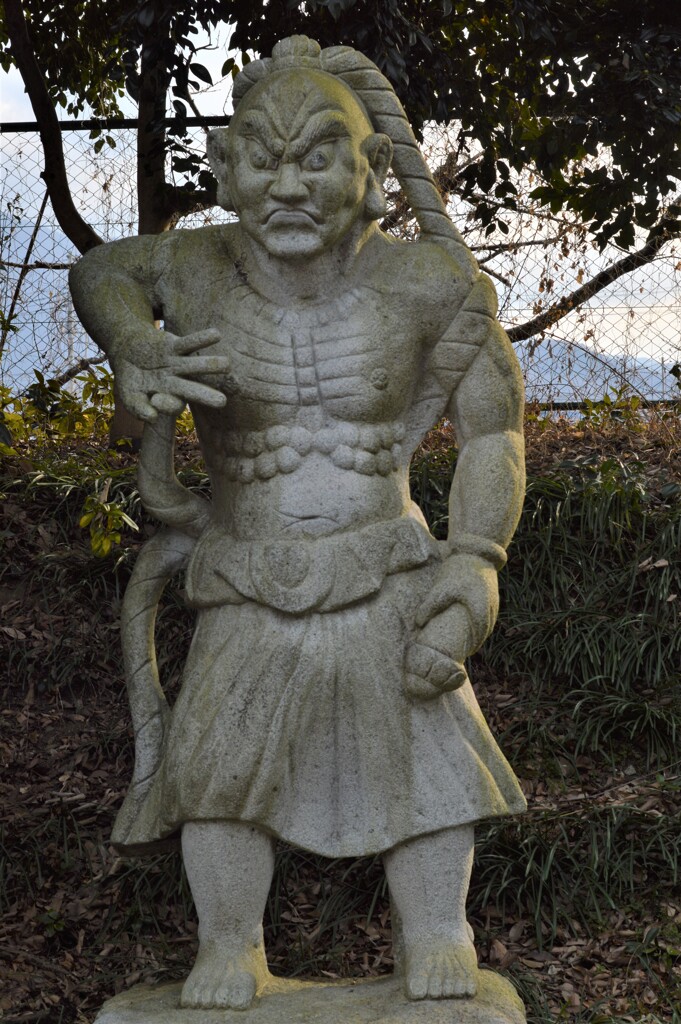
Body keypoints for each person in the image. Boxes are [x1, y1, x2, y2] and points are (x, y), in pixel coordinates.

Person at [70, 35, 526, 1012]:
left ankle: (440, 933)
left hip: (389, 564)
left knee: (431, 773)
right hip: (246, 565)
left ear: (369, 173)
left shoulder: (426, 286)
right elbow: (101, 269)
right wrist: (134, 342)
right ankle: (229, 943)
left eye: (316, 154)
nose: (287, 182)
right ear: (226, 171)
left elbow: (494, 430)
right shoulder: (189, 269)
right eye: (263, 156)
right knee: (220, 773)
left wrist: (478, 559)